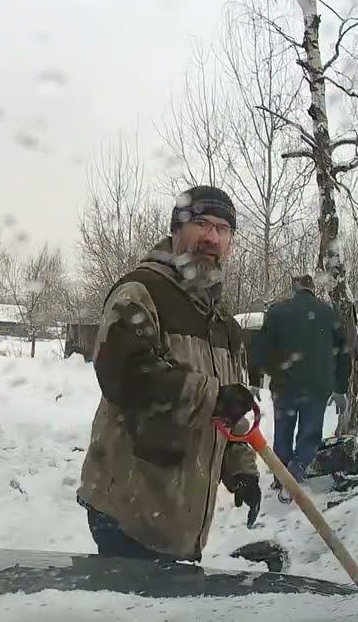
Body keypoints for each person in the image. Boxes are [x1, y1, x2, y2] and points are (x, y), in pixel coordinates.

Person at [77, 185, 261, 563]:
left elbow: (225, 409)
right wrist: (212, 396)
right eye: (201, 224)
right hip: (130, 507)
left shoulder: (223, 322)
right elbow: (125, 374)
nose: (212, 237)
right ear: (176, 231)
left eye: (223, 229)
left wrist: (240, 469)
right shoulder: (142, 291)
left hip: (183, 516)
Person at [254, 274, 351, 501]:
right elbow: (343, 354)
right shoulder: (328, 313)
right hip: (317, 386)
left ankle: (281, 477)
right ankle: (295, 475)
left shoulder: (277, 312)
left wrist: (267, 374)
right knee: (310, 433)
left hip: (284, 385)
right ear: (313, 289)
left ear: (294, 289)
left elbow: (261, 348)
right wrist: (340, 388)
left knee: (283, 432)